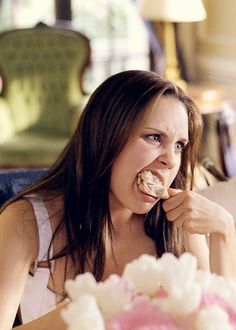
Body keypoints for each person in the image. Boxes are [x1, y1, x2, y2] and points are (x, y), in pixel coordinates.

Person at [0, 70, 235, 330]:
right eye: (154, 137)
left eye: (179, 145)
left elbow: (218, 322)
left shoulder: (178, 223)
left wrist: (224, 230)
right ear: (105, 137)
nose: (170, 160)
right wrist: (93, 309)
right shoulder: (24, 221)